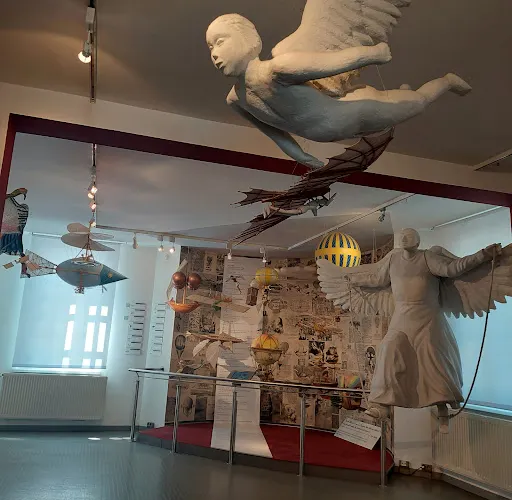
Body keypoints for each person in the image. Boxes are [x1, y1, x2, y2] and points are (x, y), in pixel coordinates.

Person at [206, 14, 471, 168]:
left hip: (356, 110)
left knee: (418, 103)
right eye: (210, 48)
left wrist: (374, 54)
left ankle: (447, 81)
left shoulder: (277, 69)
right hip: (340, 132)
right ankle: (403, 92)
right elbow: (276, 134)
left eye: (220, 42)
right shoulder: (236, 100)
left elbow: (332, 63)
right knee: (389, 121)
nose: (215, 54)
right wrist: (302, 157)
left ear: (249, 40)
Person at [345, 228, 500, 430]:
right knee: (389, 348)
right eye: (403, 235)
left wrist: (482, 255)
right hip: (402, 317)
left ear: (417, 241)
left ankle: (442, 407)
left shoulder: (428, 257)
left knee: (433, 357)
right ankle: (382, 404)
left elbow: (454, 269)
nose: (405, 237)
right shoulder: (393, 259)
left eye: (410, 235)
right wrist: (355, 280)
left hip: (428, 317)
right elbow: (377, 280)